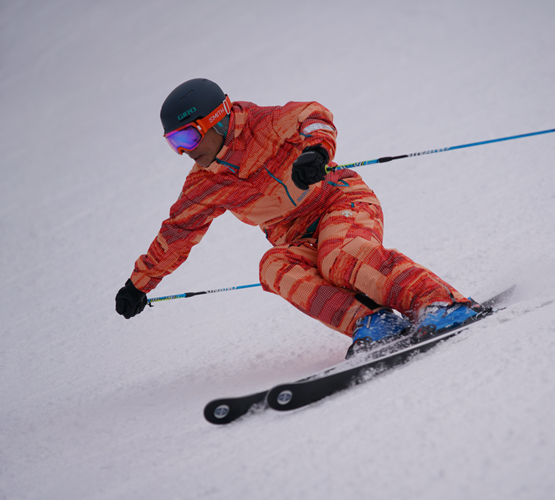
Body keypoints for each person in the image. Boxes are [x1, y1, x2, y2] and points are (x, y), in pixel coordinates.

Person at [115, 78, 484, 357]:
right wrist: (138, 285)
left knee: (338, 256)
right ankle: (373, 323)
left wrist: (317, 152)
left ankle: (441, 302)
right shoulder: (205, 183)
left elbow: (313, 115)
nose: (184, 152)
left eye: (187, 138)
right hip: (295, 238)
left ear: (215, 120)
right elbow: (177, 232)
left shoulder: (264, 123)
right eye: (173, 144)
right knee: (274, 266)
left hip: (339, 202)